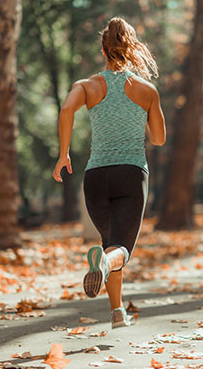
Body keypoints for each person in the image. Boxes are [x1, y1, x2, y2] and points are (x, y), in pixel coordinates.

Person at [52, 17, 166, 329]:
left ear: (103, 49)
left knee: (110, 243)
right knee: (121, 250)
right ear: (131, 49)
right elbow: (158, 138)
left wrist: (63, 154)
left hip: (95, 176)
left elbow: (65, 111)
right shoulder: (146, 90)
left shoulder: (86, 86)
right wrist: (139, 115)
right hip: (130, 174)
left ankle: (117, 313)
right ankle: (103, 266)